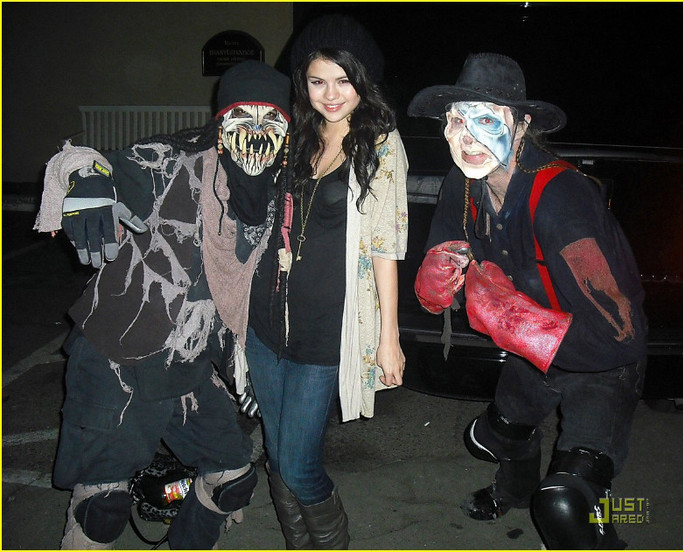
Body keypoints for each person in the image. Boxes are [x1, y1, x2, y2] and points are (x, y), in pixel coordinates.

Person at [33, 61, 291, 549]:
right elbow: (87, 160)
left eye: (271, 120)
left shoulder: (281, 196)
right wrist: (86, 182)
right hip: (119, 356)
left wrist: (251, 362)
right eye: (243, 117)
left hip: (189, 365)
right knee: (102, 510)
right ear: (220, 124)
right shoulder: (173, 164)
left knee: (234, 480)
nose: (256, 133)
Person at [408, 53, 647, 549]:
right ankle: (513, 492)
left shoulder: (563, 199)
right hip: (533, 354)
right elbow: (446, 246)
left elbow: (620, 337)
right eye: (455, 120)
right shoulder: (465, 183)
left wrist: (512, 322)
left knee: (565, 504)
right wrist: (437, 278)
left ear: (522, 126)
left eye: (486, 119)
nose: (467, 136)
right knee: (492, 438)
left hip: (600, 364)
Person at [244, 14, 409, 549]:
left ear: (363, 80)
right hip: (265, 322)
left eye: (343, 80)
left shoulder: (380, 144)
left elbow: (386, 247)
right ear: (303, 82)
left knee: (296, 459)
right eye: (318, 80)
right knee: (276, 449)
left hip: (324, 330)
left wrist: (389, 338)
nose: (331, 94)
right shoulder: (293, 134)